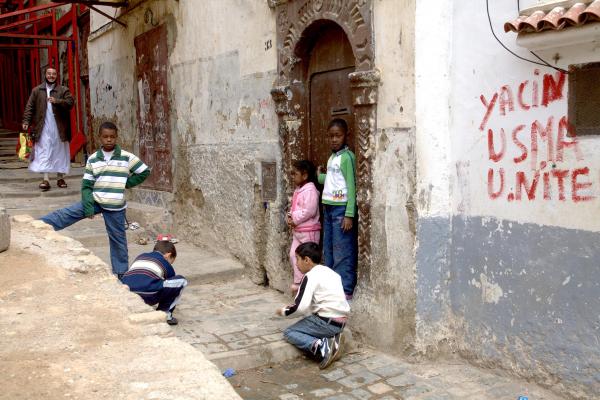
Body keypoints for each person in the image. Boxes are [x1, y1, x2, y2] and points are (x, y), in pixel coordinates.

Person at [39, 121, 150, 277]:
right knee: (67, 213)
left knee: (118, 240)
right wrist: (89, 206)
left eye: (112, 137)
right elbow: (86, 186)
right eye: (105, 137)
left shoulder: (126, 157)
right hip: (96, 200)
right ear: (100, 138)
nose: (109, 140)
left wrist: (126, 182)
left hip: (115, 207)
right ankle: (39, 224)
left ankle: (121, 273)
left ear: (116, 137)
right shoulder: (93, 159)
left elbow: (144, 172)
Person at [276, 242, 350, 369]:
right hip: (341, 323)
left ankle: (323, 348)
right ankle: (332, 339)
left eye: (298, 259)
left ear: (307, 260)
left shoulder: (310, 276)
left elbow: (300, 308)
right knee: (309, 319)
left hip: (326, 322)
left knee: (290, 332)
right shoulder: (330, 272)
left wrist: (283, 311)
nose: (296, 264)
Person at [317, 118, 357, 299]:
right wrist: (319, 177)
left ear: (345, 136)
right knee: (329, 249)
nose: (334, 139)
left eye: (338, 136)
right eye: (331, 136)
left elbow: (351, 185)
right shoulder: (333, 157)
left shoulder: (348, 158)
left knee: (343, 250)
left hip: (341, 211)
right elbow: (332, 180)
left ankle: (345, 288)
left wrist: (349, 214)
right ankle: (333, 286)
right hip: (328, 209)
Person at [22, 67, 74, 191]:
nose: (51, 76)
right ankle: (45, 179)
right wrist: (26, 121)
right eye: (49, 73)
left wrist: (57, 101)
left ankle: (60, 177)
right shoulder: (37, 90)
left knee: (60, 152)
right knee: (44, 152)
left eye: (54, 74)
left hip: (59, 128)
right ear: (45, 75)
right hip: (43, 127)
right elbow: (30, 107)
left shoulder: (63, 90)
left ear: (57, 76)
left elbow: (70, 103)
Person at [121, 240, 187, 325]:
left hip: (127, 294)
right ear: (168, 255)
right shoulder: (164, 261)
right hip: (147, 294)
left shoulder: (141, 256)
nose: (170, 264)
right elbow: (171, 285)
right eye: (172, 261)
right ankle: (165, 314)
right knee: (180, 281)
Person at [287, 160, 321, 293]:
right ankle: (299, 282)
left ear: (305, 175)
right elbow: (295, 207)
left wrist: (294, 218)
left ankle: (310, 287)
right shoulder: (299, 190)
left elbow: (309, 210)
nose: (292, 177)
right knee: (293, 255)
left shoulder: (311, 190)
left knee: (309, 260)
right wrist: (290, 217)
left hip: (308, 231)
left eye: (295, 174)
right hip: (298, 230)